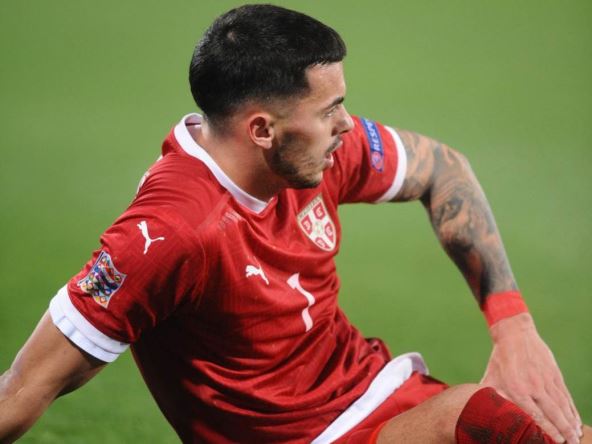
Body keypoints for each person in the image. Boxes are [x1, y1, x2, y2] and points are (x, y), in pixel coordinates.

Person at [0, 4, 588, 444]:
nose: (348, 126)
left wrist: (515, 331)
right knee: (482, 419)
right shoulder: (171, 233)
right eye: (330, 110)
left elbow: (444, 171)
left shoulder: (312, 152)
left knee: (557, 428)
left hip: (376, 392)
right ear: (262, 129)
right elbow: (25, 389)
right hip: (306, 436)